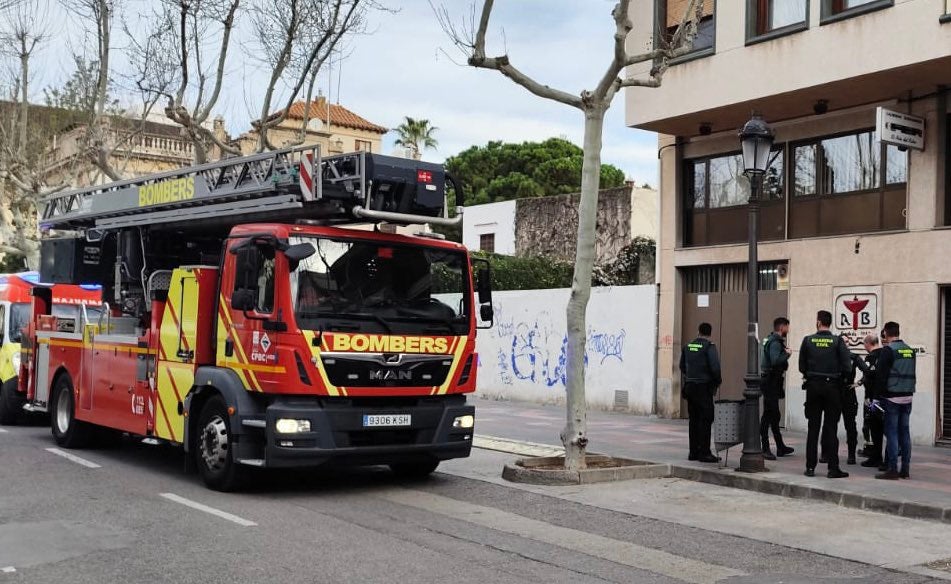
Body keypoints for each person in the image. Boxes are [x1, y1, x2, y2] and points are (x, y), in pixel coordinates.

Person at [799, 310, 852, 479]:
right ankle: (833, 468)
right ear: (830, 323)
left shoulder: (808, 340)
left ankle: (810, 467)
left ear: (818, 322)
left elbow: (801, 366)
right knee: (831, 428)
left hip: (813, 387)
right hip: (832, 388)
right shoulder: (837, 341)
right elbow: (847, 367)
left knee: (813, 428)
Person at [875, 322, 916, 480]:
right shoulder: (909, 350)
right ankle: (905, 469)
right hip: (908, 397)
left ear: (885, 333)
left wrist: (877, 398)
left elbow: (881, 375)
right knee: (905, 433)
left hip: (892, 397)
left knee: (892, 433)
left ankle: (892, 469)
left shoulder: (888, 350)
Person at [679, 323, 721, 463]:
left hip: (690, 387)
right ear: (709, 333)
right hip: (703, 388)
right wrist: (716, 382)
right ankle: (705, 453)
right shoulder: (709, 347)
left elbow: (682, 366)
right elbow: (715, 368)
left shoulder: (688, 346)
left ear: (698, 332)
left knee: (694, 420)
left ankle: (693, 452)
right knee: (706, 419)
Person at [760, 317, 795, 460]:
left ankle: (780, 446)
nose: (789, 330)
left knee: (775, 415)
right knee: (768, 415)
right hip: (770, 382)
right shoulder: (775, 342)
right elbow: (775, 361)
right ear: (782, 327)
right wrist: (787, 354)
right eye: (788, 326)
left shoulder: (771, 340)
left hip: (772, 382)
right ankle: (765, 448)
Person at [854, 334, 885, 469]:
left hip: (872, 399)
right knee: (883, 427)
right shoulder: (885, 354)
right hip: (884, 397)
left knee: (873, 426)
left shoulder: (871, 357)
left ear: (868, 344)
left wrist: (868, 396)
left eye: (864, 345)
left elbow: (869, 373)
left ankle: (875, 456)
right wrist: (860, 382)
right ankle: (879, 456)